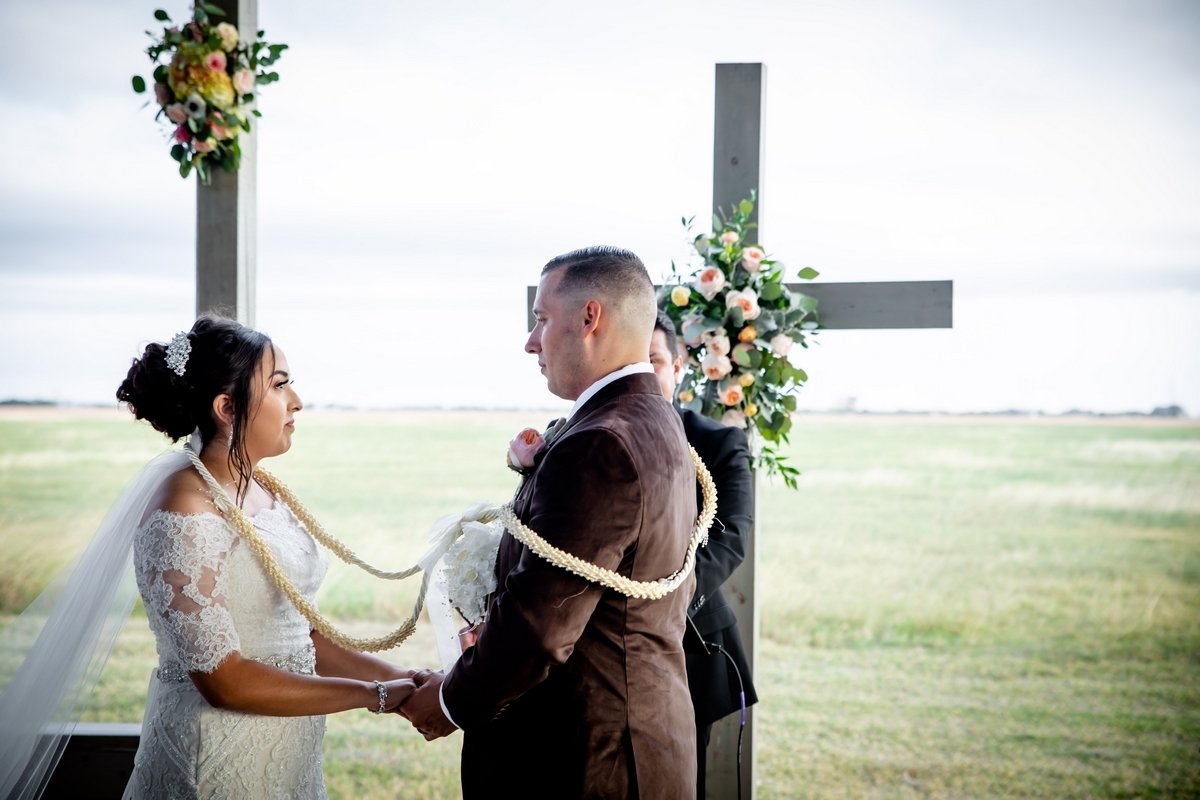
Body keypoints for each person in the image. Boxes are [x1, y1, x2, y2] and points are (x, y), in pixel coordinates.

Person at [0, 315, 417, 800]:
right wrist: (375, 696)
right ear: (227, 407)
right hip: (212, 763)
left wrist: (407, 680)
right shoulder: (184, 508)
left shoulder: (262, 491)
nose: (297, 401)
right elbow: (225, 681)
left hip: (288, 758)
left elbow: (297, 636)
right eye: (280, 385)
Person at [401, 246, 701, 798]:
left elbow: (541, 627)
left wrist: (449, 702)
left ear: (590, 318)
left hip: (590, 756)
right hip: (642, 735)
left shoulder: (599, 443)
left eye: (541, 319)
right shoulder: (651, 417)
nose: (531, 341)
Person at [650, 309, 760, 797]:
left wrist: (662, 602)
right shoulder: (578, 432)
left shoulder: (718, 442)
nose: (641, 373)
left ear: (677, 367)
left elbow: (731, 537)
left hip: (691, 643)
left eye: (654, 361)